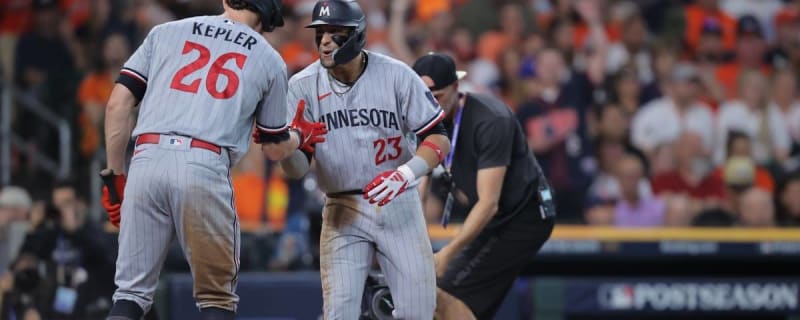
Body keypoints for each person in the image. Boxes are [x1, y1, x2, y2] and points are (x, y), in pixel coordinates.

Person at [98, 1, 326, 319]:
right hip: (204, 162)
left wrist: (114, 173)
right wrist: (300, 137)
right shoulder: (269, 58)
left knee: (130, 295)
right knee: (216, 299)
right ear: (270, 13)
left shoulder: (165, 31)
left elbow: (118, 105)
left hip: (146, 157)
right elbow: (274, 149)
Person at [278, 1, 451, 318]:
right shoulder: (302, 85)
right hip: (343, 208)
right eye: (320, 33)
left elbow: (438, 136)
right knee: (339, 312)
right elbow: (297, 170)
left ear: (356, 35)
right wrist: (291, 148)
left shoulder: (397, 74)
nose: (325, 41)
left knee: (417, 312)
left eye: (335, 32)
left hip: (398, 201)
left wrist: (405, 174)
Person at [412, 52, 555, 319]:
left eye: (438, 96)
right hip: (495, 216)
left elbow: (489, 203)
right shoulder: (424, 119)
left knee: (446, 294)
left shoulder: (491, 120)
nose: (429, 105)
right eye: (422, 97)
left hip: (525, 216)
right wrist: (414, 246)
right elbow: (421, 184)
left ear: (456, 87)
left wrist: (447, 254)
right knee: (439, 296)